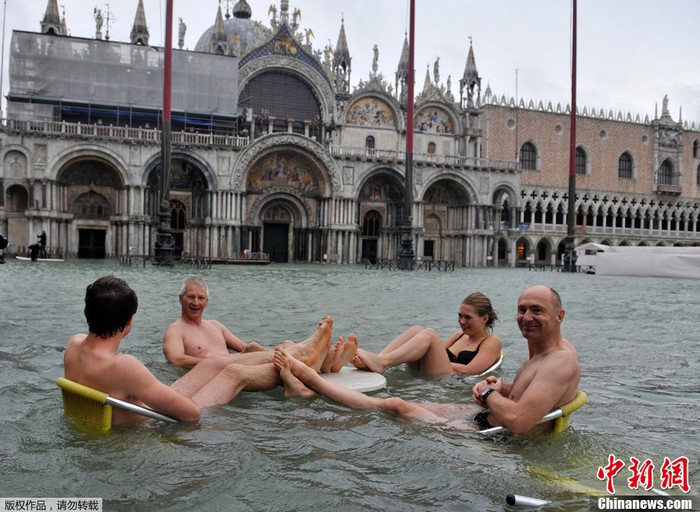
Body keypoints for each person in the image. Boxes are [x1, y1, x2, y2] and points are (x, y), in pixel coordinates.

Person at [275, 286, 580, 434]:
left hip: (492, 436)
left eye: (536, 310)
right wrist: (502, 386)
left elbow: (518, 421)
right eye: (522, 309)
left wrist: (487, 392)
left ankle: (312, 381)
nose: (526, 317)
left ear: (559, 316)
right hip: (482, 417)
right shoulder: (543, 353)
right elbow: (533, 395)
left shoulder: (559, 360)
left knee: (396, 405)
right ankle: (330, 377)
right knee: (402, 395)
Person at [64, 275, 335, 426]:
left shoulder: (74, 345)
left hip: (133, 411)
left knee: (214, 362)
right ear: (128, 322)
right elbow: (191, 415)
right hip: (152, 422)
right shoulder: (123, 366)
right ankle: (302, 362)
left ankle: (299, 352)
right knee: (233, 373)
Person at [351, 292, 502, 377]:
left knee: (429, 334)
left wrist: (435, 361)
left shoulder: (491, 341)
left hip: (449, 380)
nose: (462, 321)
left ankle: (382, 362)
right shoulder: (458, 336)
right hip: (431, 372)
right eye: (460, 316)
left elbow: (470, 371)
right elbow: (433, 353)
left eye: (468, 317)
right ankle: (377, 360)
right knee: (416, 330)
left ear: (484, 318)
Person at [163, 276, 268, 368]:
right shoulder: (175, 330)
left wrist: (228, 361)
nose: (195, 303)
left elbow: (244, 348)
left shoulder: (215, 325)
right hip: (214, 375)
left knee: (253, 347)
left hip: (235, 367)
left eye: (201, 298)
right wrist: (217, 362)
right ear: (180, 299)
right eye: (191, 297)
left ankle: (281, 355)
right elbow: (175, 360)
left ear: (206, 302)